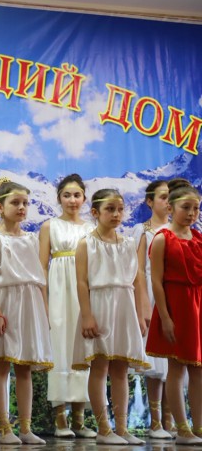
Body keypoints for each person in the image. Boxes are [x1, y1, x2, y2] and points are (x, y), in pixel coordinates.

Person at [0, 178, 53, 446]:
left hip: (30, 303)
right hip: (7, 303)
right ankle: (4, 428)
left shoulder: (31, 239)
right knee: (2, 365)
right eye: (15, 203)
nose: (22, 208)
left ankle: (26, 428)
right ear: (0, 206)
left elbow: (39, 279)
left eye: (25, 203)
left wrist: (44, 312)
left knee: (24, 368)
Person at [72, 188, 149, 445]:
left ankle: (122, 428)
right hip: (100, 305)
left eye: (120, 209)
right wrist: (87, 315)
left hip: (124, 305)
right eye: (110, 209)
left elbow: (136, 281)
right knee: (100, 365)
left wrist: (140, 314)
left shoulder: (128, 244)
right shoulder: (86, 243)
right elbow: (82, 282)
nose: (116, 214)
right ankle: (104, 428)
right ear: (95, 212)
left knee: (121, 368)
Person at [39, 174, 96, 438]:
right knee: (60, 347)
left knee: (83, 349)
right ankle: (60, 417)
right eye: (67, 195)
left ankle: (79, 419)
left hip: (84, 292)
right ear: (59, 198)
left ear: (84, 198)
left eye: (77, 195)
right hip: (59, 292)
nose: (72, 200)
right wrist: (43, 301)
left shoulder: (91, 228)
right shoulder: (49, 226)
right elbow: (41, 267)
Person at [145, 180, 202, 445]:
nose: (191, 213)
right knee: (176, 369)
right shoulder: (162, 239)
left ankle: (198, 427)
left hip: (197, 308)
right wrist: (166, 318)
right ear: (170, 208)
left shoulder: (199, 238)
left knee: (198, 370)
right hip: (176, 307)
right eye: (185, 207)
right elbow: (156, 281)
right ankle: (182, 429)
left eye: (196, 208)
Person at [132, 180, 174, 439]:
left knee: (175, 359)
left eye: (171, 197)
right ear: (149, 201)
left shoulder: (178, 229)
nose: (168, 202)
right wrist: (143, 303)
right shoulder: (143, 231)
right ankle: (156, 421)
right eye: (162, 197)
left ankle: (172, 420)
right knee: (155, 359)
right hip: (150, 291)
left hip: (174, 293)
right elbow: (137, 269)